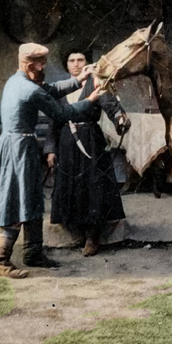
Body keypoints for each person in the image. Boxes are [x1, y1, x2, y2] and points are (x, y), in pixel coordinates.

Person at [0, 43, 104, 278]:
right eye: (41, 64)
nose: (44, 67)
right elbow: (62, 114)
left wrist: (80, 79)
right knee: (16, 200)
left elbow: (51, 88)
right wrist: (90, 99)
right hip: (17, 149)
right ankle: (0, 261)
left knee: (32, 197)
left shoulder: (16, 81)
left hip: (18, 146)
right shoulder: (30, 90)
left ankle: (33, 253)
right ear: (29, 65)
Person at [44, 49, 130, 257]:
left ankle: (93, 237)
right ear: (66, 65)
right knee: (70, 186)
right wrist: (50, 149)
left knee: (93, 186)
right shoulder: (61, 88)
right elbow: (54, 122)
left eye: (80, 60)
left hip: (90, 140)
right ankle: (78, 232)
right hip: (66, 141)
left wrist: (119, 117)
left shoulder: (96, 83)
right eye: (71, 60)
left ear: (87, 63)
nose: (76, 64)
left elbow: (111, 105)